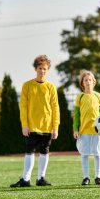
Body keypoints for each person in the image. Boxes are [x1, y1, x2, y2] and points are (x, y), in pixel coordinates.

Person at [10, 55, 60, 187]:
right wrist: (24, 125)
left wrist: (55, 127)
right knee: (29, 150)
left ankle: (41, 179)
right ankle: (26, 179)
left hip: (47, 126)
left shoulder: (51, 87)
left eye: (45, 69)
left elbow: (55, 108)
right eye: (40, 68)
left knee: (45, 151)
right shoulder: (27, 86)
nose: (42, 71)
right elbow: (23, 107)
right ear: (35, 68)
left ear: (48, 69)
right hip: (32, 126)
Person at [73, 70, 100, 185]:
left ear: (94, 82)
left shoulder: (98, 96)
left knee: (97, 154)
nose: (88, 82)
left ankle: (98, 176)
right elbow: (76, 115)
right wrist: (75, 129)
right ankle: (86, 177)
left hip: (96, 131)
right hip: (84, 131)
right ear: (82, 83)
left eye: (90, 80)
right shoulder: (80, 97)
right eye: (85, 80)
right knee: (84, 154)